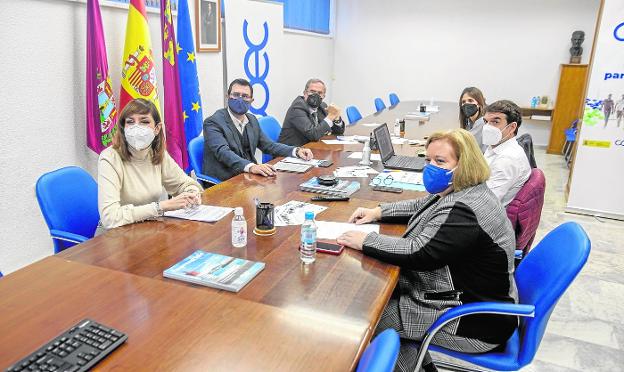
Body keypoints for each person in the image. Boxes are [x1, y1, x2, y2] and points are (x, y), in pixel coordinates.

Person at [337, 129, 518, 372]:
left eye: (440, 161)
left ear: (465, 165)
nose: (431, 167)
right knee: (375, 304)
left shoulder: (466, 212)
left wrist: (365, 240)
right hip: (460, 300)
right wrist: (377, 212)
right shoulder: (465, 190)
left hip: (470, 320)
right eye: (428, 160)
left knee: (363, 317)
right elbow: (422, 204)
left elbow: (419, 252)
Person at [98, 98, 202, 230]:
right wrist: (161, 207)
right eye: (130, 122)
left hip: (147, 229)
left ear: (157, 128)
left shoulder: (157, 154)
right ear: (124, 128)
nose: (137, 127)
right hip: (115, 236)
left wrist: (191, 194)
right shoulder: (110, 158)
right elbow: (110, 218)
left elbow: (185, 184)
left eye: (144, 122)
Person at [202, 78, 313, 181]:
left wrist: (296, 151)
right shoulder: (213, 122)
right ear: (227, 97)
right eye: (236, 95)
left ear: (251, 100)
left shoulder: (252, 120)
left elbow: (268, 145)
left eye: (245, 96)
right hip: (224, 180)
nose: (240, 99)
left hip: (247, 176)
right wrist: (251, 167)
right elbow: (223, 152)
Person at [482, 100, 531, 207]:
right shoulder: (496, 146)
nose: (487, 127)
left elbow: (485, 203)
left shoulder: (507, 159)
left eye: (495, 122)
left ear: (512, 127)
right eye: (486, 122)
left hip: (489, 214)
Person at [277, 78, 345, 146]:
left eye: (320, 93)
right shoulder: (297, 107)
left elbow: (338, 132)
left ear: (323, 96)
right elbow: (313, 135)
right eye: (312, 92)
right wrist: (331, 116)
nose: (315, 95)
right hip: (290, 152)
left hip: (311, 148)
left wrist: (336, 117)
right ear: (305, 93)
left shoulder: (322, 106)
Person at [458, 87, 487, 153]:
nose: (466, 104)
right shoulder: (468, 124)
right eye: (463, 102)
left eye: (470, 100)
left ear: (479, 104)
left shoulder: (484, 124)